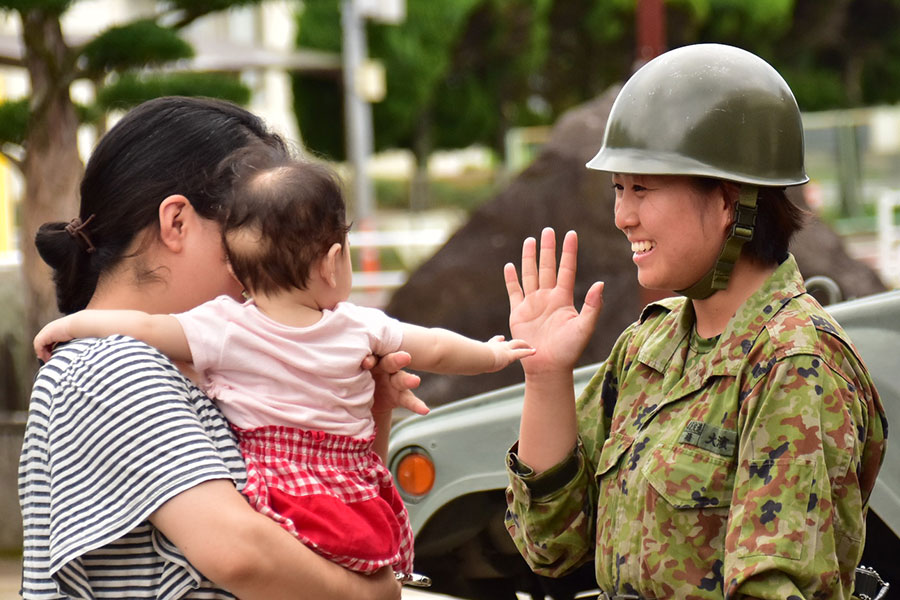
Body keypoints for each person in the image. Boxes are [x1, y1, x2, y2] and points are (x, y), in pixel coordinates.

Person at [33, 148, 534, 578]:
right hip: (350, 486)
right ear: (332, 260)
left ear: (237, 265)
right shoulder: (359, 326)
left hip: (276, 486)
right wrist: (494, 355)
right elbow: (440, 348)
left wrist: (72, 325)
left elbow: (143, 326)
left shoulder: (223, 327)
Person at [502, 44, 887, 599]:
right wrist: (545, 378)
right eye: (618, 188)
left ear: (729, 200)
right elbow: (550, 545)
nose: (622, 215)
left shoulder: (794, 365)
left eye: (642, 188)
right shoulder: (648, 345)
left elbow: (772, 588)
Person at [19, 96, 428, 600]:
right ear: (177, 223)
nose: (281, 268)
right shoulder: (111, 364)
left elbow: (323, 525)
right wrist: (373, 594)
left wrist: (367, 412)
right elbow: (241, 553)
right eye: (258, 236)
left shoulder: (204, 362)